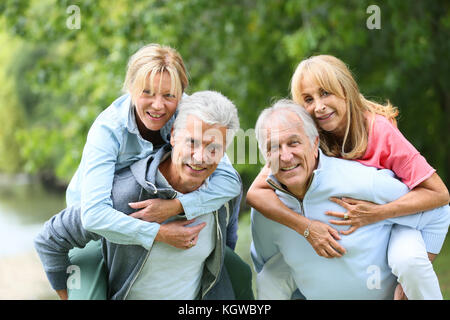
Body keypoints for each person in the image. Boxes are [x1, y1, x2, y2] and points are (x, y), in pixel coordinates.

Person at [246, 55, 450, 299]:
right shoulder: (310, 137)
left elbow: (439, 194)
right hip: (354, 240)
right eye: (308, 99)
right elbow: (256, 193)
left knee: (409, 263)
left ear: (346, 90)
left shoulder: (379, 130)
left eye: (325, 93)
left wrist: (377, 213)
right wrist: (307, 227)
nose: (319, 106)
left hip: (398, 219)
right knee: (272, 276)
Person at [61, 44, 244, 299]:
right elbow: (93, 216)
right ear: (131, 88)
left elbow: (229, 181)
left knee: (239, 274)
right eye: (147, 92)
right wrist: (159, 233)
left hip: (159, 200)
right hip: (94, 229)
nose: (158, 105)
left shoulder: (189, 113)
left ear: (181, 93)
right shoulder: (108, 130)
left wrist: (177, 207)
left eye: (169, 96)